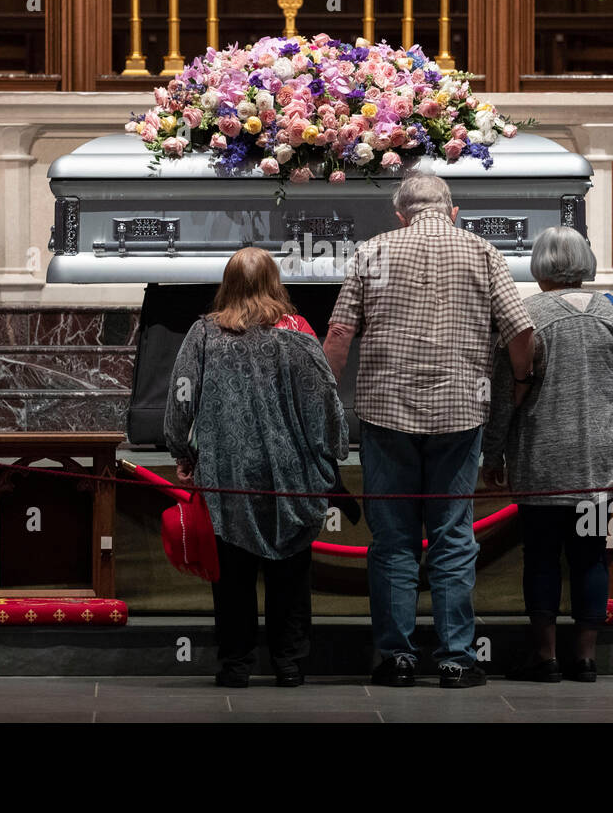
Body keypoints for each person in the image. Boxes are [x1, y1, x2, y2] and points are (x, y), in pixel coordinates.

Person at [324, 171, 534, 689]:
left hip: (385, 412)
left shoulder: (372, 251)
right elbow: (522, 331)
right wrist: (523, 382)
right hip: (461, 413)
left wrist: (326, 402)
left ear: (401, 214)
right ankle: (457, 658)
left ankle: (395, 658)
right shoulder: (482, 252)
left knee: (393, 540)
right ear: (452, 210)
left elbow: (339, 333)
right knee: (452, 537)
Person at [165, 247, 348, 688]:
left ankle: (235, 664)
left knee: (232, 576)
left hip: (229, 474)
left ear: (227, 284)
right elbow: (324, 401)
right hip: (291, 476)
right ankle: (289, 662)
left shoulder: (205, 333)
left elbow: (182, 397)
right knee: (290, 573)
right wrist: (332, 454)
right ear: (275, 282)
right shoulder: (299, 331)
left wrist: (182, 454)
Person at [480, 226, 613, 684]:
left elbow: (503, 397)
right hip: (601, 460)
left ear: (540, 264)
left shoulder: (527, 316)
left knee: (541, 556)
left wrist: (492, 455)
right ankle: (587, 658)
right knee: (593, 557)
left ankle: (547, 656)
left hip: (542, 457)